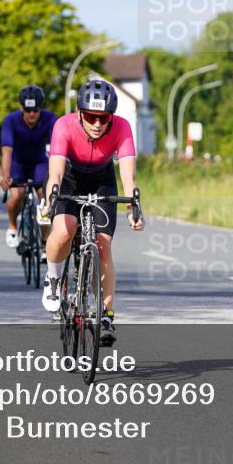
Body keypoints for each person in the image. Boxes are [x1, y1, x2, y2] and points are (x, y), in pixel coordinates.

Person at [40, 79, 144, 346]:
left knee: (103, 247)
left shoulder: (121, 127)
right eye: (91, 117)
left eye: (104, 117)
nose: (97, 124)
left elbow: (128, 176)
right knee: (64, 231)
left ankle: (106, 314)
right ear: (80, 113)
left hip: (102, 180)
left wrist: (133, 205)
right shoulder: (63, 125)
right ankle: (53, 280)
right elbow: (56, 172)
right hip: (69, 178)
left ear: (112, 116)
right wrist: (50, 201)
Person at [0, 85, 57, 250]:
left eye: (36, 110)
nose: (32, 114)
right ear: (21, 108)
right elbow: (6, 151)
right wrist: (6, 177)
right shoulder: (11, 120)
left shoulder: (50, 119)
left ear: (41, 108)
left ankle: (45, 241)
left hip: (39, 162)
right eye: (28, 110)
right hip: (17, 163)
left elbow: (57, 148)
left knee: (44, 199)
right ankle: (12, 226)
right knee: (17, 194)